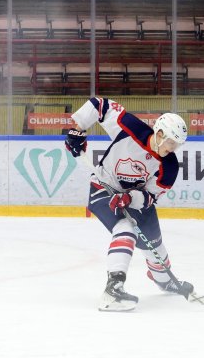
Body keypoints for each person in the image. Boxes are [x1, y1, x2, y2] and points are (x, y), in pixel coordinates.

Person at [65, 97, 193, 312]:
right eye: (171, 142)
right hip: (103, 188)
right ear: (159, 134)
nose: (173, 148)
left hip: (134, 199)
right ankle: (113, 289)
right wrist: (78, 130)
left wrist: (130, 198)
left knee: (154, 243)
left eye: (177, 145)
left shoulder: (169, 166)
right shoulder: (131, 127)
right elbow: (100, 105)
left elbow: (150, 197)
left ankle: (164, 280)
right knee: (125, 229)